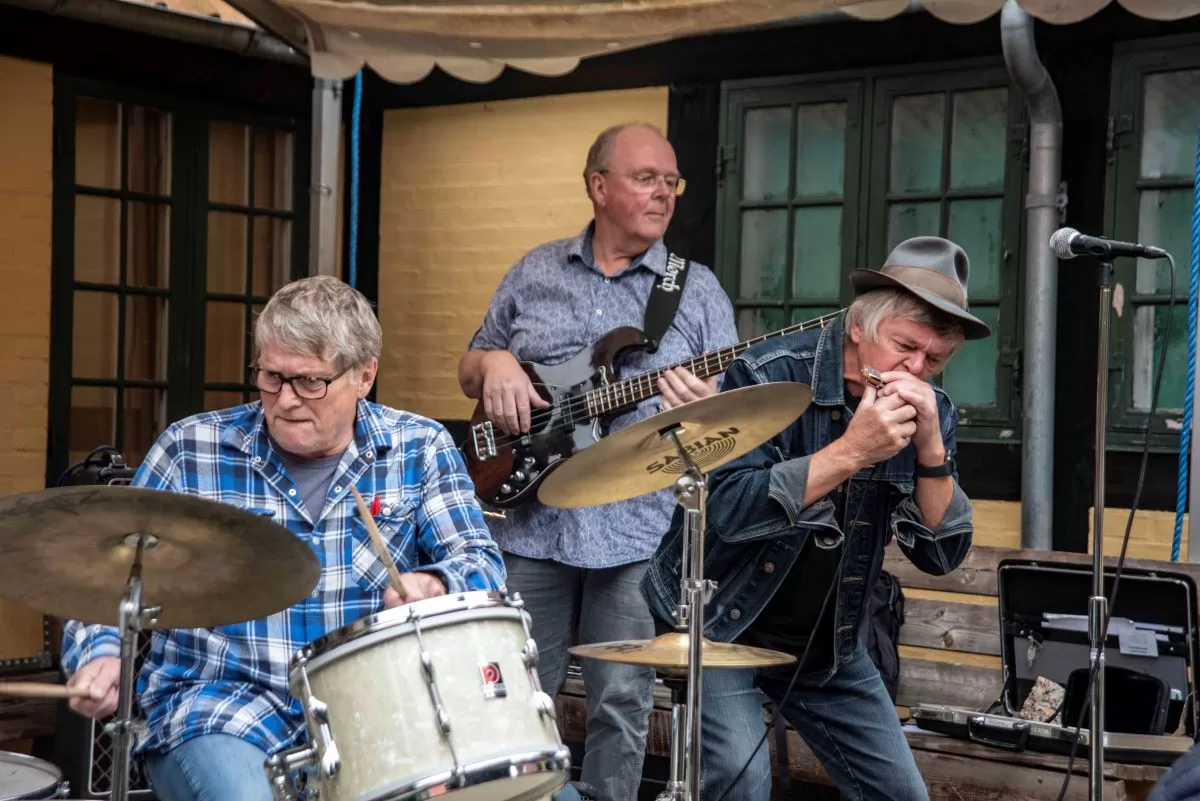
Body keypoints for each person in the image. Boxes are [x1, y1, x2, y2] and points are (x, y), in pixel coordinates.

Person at [60, 275, 508, 801]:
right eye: (272, 377)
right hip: (219, 705)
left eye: (310, 382)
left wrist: (437, 584)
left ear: (364, 376)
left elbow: (480, 561)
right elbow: (110, 575)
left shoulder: (420, 447)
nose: (288, 400)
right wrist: (100, 653)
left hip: (373, 710)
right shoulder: (190, 449)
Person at [641, 235, 990, 800]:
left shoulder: (932, 410)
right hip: (719, 622)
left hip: (825, 642)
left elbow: (940, 554)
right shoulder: (769, 374)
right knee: (741, 781)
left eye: (935, 360)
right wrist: (853, 451)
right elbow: (729, 508)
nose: (916, 369)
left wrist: (931, 448)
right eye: (905, 346)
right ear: (858, 327)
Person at [458, 121, 738, 801]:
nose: (663, 193)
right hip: (532, 523)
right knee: (517, 693)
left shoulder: (695, 290)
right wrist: (492, 364)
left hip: (636, 532)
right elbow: (470, 367)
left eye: (671, 181)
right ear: (599, 186)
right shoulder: (535, 271)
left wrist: (706, 408)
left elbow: (730, 423)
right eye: (646, 178)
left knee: (619, 703)